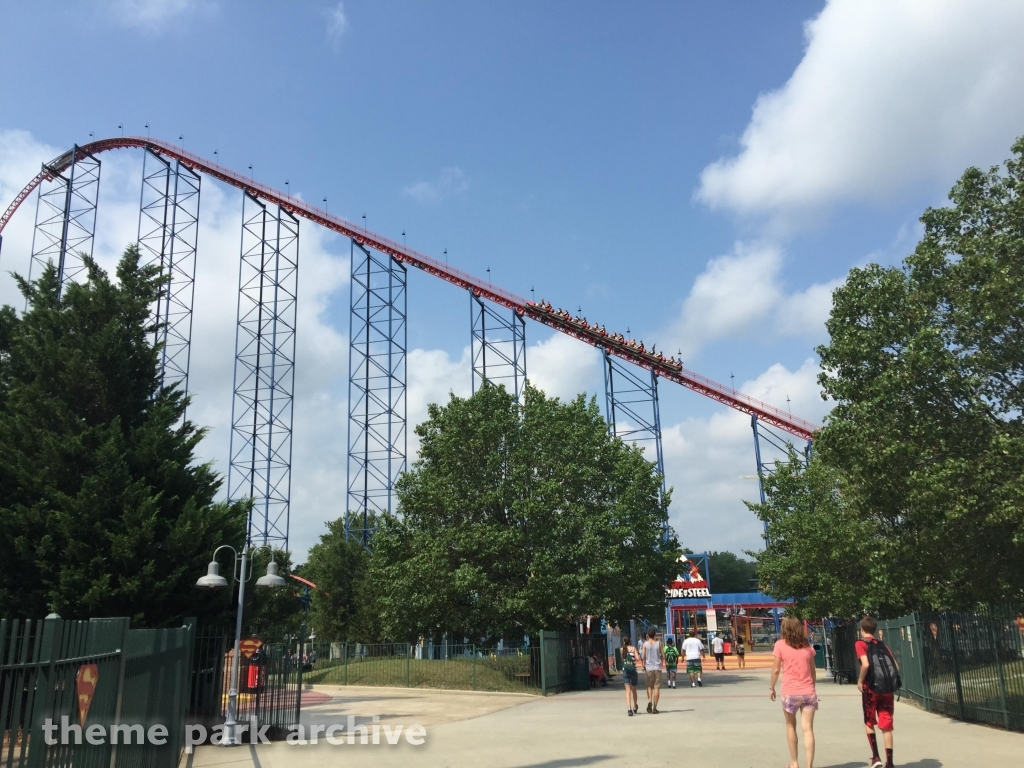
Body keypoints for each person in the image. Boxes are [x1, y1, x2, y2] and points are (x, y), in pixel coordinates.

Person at [770, 616, 818, 768]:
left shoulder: (780, 645)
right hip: (808, 691)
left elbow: (776, 669)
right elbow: (813, 671)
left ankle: (795, 763)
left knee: (790, 726)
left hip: (790, 692)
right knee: (808, 729)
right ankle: (809, 765)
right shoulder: (807, 646)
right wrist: (812, 688)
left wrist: (772, 687)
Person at [857, 616, 900, 768]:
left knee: (869, 721)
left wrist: (860, 681)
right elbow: (896, 667)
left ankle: (876, 757)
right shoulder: (883, 645)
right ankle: (890, 762)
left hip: (871, 688)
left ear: (862, 629)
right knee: (886, 724)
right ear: (875, 630)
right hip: (887, 689)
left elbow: (865, 664)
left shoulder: (861, 643)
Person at [640, 627, 663, 713]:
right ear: (655, 634)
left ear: (648, 635)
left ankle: (649, 700)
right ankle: (655, 708)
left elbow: (643, 657)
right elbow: (663, 655)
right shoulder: (659, 643)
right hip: (657, 667)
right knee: (656, 687)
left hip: (649, 668)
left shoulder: (645, 644)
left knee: (649, 686)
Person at [620, 635, 640, 716]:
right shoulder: (633, 648)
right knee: (634, 689)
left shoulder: (622, 649)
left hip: (625, 671)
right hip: (633, 670)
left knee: (627, 691)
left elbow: (622, 659)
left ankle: (629, 708)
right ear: (630, 641)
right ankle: (635, 706)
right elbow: (637, 658)